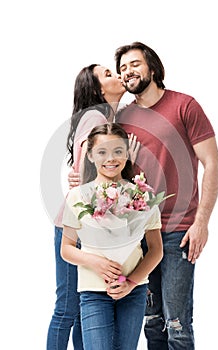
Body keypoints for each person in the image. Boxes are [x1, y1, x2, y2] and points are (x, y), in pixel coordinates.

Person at [113, 42, 218, 349]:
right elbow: (106, 167)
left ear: (152, 67)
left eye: (134, 64)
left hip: (178, 231)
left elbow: (212, 164)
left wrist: (201, 223)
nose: (127, 72)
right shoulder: (122, 117)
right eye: (122, 69)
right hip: (138, 233)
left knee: (177, 324)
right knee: (152, 323)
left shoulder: (184, 105)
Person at [47, 64, 140, 349]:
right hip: (78, 225)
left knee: (81, 307)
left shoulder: (110, 119)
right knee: (67, 307)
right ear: (99, 90)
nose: (118, 75)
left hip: (94, 225)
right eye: (109, 74)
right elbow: (87, 176)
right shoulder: (94, 116)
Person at [61, 123, 163, 350]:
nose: (111, 158)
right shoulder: (77, 196)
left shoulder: (142, 195)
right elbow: (66, 248)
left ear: (127, 154)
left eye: (118, 151)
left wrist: (132, 281)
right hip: (93, 291)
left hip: (133, 291)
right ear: (90, 155)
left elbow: (156, 250)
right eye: (102, 152)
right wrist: (95, 261)